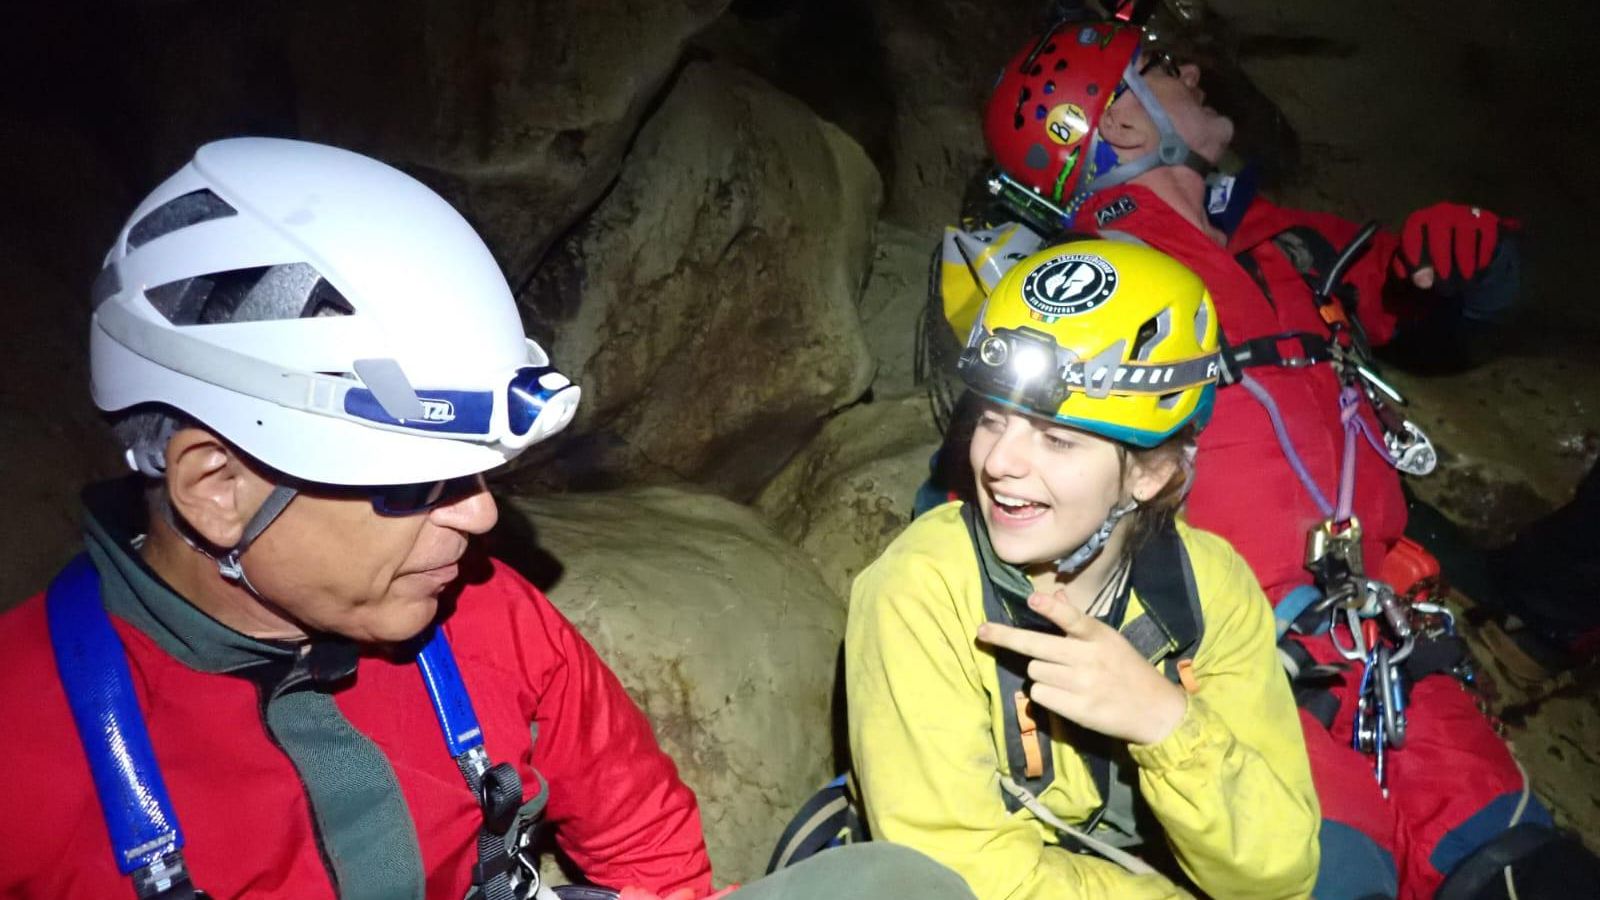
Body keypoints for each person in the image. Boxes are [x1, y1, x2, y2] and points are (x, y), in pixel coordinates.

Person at [0, 138, 976, 900]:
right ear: (216, 485)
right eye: (416, 484)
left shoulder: (486, 618)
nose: (478, 516)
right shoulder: (22, 750)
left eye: (474, 474)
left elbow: (640, 827)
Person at [948, 16, 1600, 900]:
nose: (1193, 72)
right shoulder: (1086, 284)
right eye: (1159, 67)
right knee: (1329, 875)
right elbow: (1001, 488)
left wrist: (1475, 267)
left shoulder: (1288, 246)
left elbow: (1415, 304)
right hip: (1236, 670)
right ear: (1128, 123)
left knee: (1531, 872)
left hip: (1393, 653)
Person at [848, 239, 1320, 899]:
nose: (998, 463)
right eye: (991, 420)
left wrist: (1164, 722)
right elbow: (955, 872)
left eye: (1057, 439)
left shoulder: (1209, 589)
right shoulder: (922, 590)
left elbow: (1282, 871)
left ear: (1153, 471)